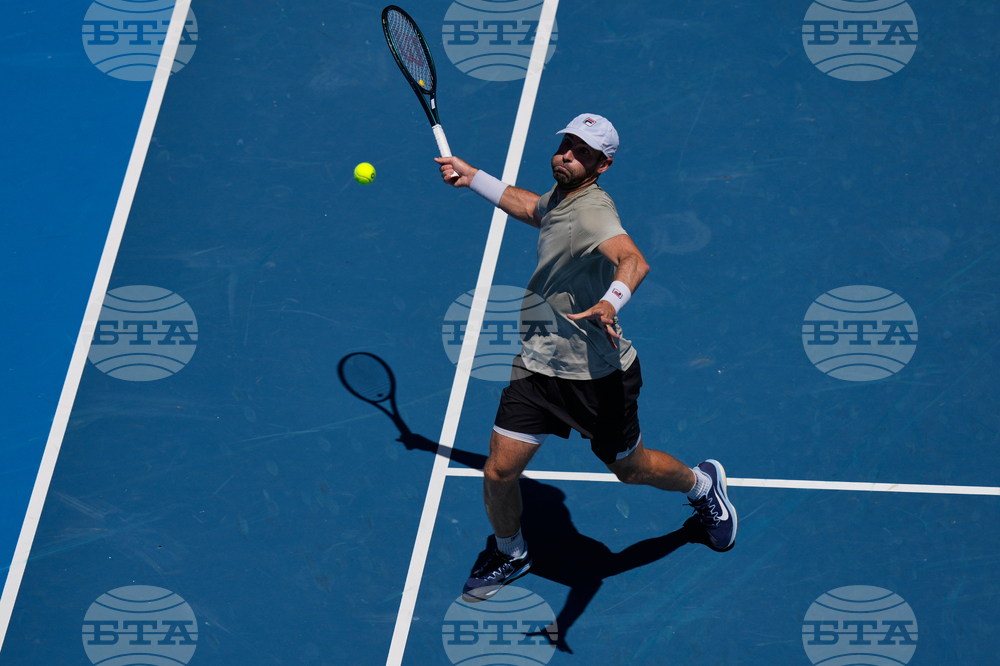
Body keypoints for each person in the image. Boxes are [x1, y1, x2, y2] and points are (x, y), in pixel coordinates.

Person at [435, 114, 736, 602]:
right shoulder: (564, 197)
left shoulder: (594, 212)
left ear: (603, 165)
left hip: (596, 377)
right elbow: (536, 209)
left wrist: (610, 301)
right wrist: (474, 179)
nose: (567, 155)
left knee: (630, 468)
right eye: (566, 145)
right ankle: (511, 551)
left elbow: (633, 259)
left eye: (581, 151)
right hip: (537, 364)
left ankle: (702, 486)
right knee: (499, 471)